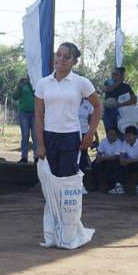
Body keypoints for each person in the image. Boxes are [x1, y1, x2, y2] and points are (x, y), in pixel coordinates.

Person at [35, 42, 102, 177]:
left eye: (66, 57)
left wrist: (90, 133)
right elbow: (38, 115)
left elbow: (98, 106)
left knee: (68, 178)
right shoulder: (43, 83)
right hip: (49, 136)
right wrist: (41, 144)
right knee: (50, 178)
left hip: (70, 136)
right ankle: (52, 200)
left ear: (74, 61)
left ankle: (67, 198)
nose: (61, 59)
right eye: (58, 55)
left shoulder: (81, 82)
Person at [99, 67, 137, 134]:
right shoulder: (107, 82)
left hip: (121, 114)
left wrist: (120, 104)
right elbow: (105, 89)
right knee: (110, 134)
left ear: (121, 76)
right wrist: (117, 84)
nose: (113, 76)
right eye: (112, 73)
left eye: (116, 74)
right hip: (108, 113)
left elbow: (134, 100)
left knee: (120, 134)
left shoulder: (126, 87)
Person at [111, 125, 138, 195]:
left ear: (135, 136)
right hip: (130, 163)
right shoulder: (124, 143)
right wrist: (122, 161)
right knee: (118, 165)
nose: (127, 138)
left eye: (129, 136)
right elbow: (121, 156)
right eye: (126, 136)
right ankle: (119, 185)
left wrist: (129, 161)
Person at [90, 127, 122, 193]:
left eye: (114, 135)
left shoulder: (119, 143)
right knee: (94, 164)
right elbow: (99, 153)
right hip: (105, 159)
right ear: (107, 134)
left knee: (111, 166)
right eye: (110, 134)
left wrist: (103, 158)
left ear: (117, 135)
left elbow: (116, 157)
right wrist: (98, 158)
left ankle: (111, 186)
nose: (112, 137)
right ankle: (95, 185)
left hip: (115, 160)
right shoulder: (103, 141)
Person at [13, 76, 37, 163]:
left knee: (35, 135)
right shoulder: (23, 84)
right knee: (25, 135)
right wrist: (19, 86)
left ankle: (37, 156)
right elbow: (15, 97)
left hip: (35, 113)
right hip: (24, 113)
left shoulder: (37, 83)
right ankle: (24, 157)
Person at [78, 97, 95, 171]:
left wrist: (93, 135)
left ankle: (83, 174)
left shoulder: (89, 105)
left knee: (83, 153)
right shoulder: (71, 102)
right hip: (72, 132)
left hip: (84, 133)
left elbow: (91, 122)